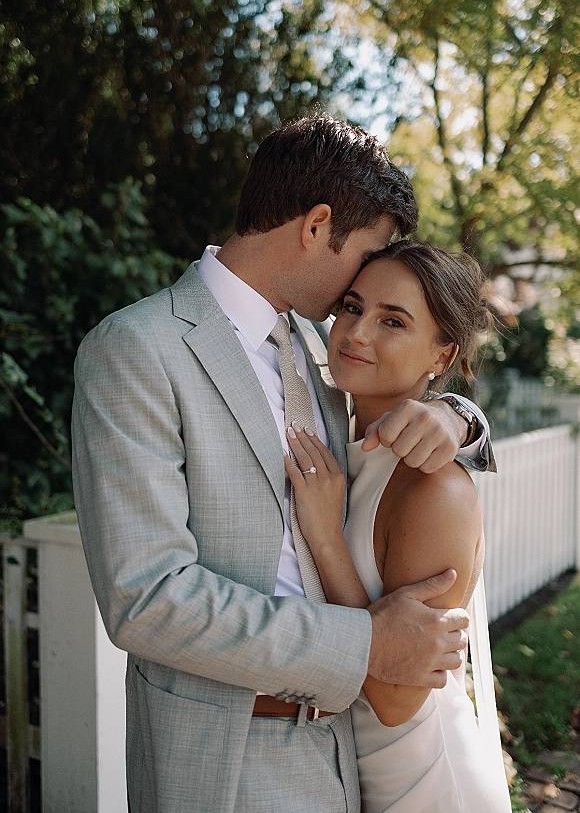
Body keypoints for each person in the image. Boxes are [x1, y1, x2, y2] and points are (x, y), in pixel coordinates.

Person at [71, 113, 493, 813]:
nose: (365, 281)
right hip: (226, 758)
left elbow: (394, 414)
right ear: (317, 224)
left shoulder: (319, 343)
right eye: (368, 250)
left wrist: (461, 416)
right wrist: (364, 644)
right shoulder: (137, 348)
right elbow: (145, 597)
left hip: (345, 757)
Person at [284, 239, 511, 812]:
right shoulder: (340, 433)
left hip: (428, 786)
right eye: (353, 307)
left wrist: (327, 542)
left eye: (393, 321)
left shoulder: (435, 489)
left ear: (441, 357)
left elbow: (396, 699)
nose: (357, 333)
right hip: (347, 776)